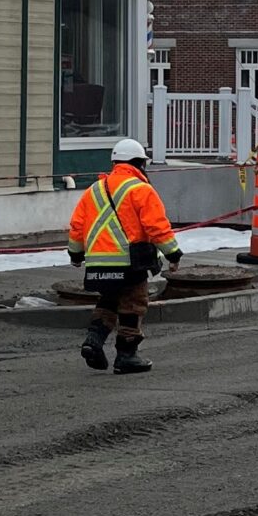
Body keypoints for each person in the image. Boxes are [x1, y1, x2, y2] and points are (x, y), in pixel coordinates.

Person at [66, 137, 184, 372]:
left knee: (109, 300)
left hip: (98, 262)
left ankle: (93, 340)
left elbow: (77, 227)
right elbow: (156, 226)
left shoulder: (93, 190)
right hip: (130, 261)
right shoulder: (141, 189)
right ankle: (126, 355)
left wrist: (76, 255)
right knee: (133, 304)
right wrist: (173, 253)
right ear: (139, 163)